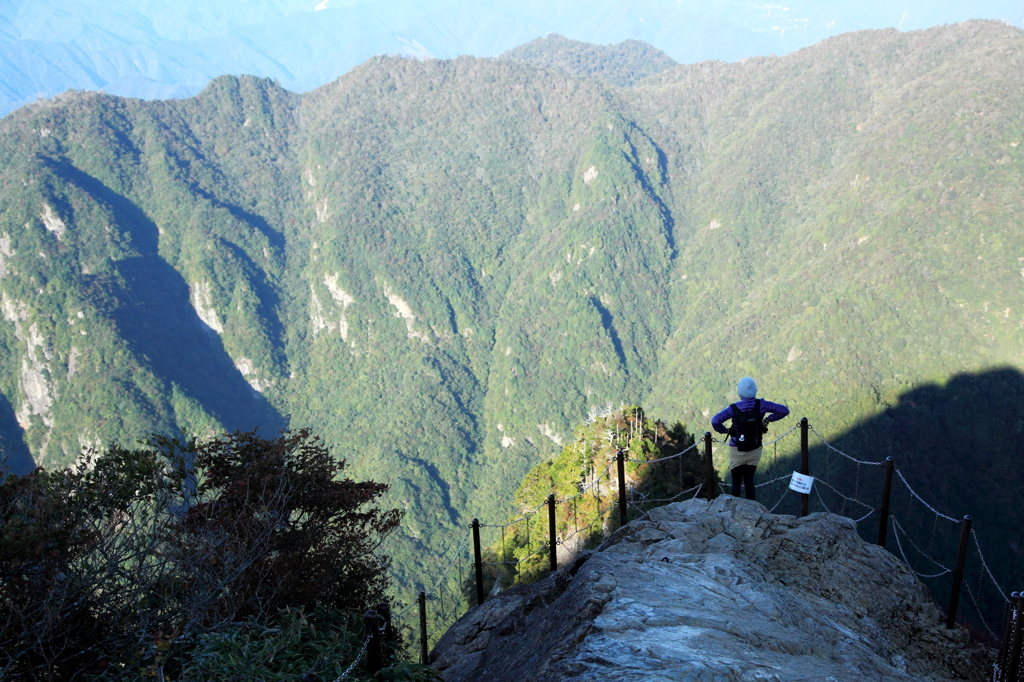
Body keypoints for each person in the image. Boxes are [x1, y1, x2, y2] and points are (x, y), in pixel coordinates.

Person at [711, 377, 789, 500]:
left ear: (739, 391)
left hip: (737, 448)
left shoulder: (734, 408)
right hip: (755, 447)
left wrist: (725, 431)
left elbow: (715, 421)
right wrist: (767, 420)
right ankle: (752, 510)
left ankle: (734, 511)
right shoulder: (761, 405)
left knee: (736, 481)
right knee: (749, 479)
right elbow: (784, 411)